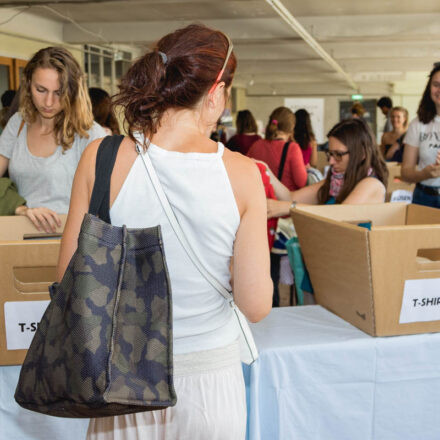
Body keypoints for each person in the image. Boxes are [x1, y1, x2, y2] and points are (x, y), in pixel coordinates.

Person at [57, 24, 272, 439]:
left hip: (121, 382)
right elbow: (256, 304)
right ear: (216, 94)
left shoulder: (101, 157)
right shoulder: (244, 174)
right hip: (210, 382)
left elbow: (70, 281)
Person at [0, 47, 106, 232]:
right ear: (27, 85)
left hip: (74, 239)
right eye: (40, 90)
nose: (48, 102)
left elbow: (105, 201)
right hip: (22, 235)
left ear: (73, 91)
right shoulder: (17, 124)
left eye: (59, 92)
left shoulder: (90, 135)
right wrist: (19, 208)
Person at [266, 118, 387, 217]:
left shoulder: (371, 184)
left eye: (339, 155)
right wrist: (266, 171)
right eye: (330, 154)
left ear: (362, 154)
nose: (332, 161)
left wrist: (290, 207)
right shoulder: (336, 182)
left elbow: (339, 216)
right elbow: (290, 197)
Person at [247, 106, 307, 191]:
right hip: (283, 201)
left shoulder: (256, 145)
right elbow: (301, 182)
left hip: (261, 199)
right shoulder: (292, 148)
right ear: (292, 127)